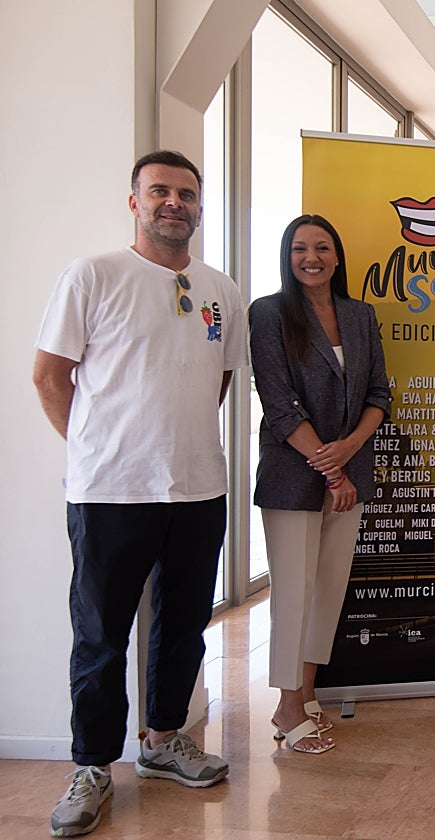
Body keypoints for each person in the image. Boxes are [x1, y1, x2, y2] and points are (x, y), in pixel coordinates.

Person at [33, 150, 247, 836]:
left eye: (186, 193)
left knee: (183, 625)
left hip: (198, 487)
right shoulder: (93, 275)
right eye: (159, 191)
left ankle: (162, 742)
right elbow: (49, 376)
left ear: (199, 206)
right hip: (109, 493)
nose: (173, 203)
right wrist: (95, 447)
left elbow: (216, 380)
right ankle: (93, 765)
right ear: (135, 202)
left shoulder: (220, 290)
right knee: (100, 635)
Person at [249, 214, 390, 754]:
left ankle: (306, 693)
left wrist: (348, 452)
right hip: (293, 476)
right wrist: (332, 470)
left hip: (350, 473)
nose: (312, 258)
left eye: (323, 247)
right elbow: (279, 404)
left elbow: (378, 394)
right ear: (287, 256)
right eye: (300, 248)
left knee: (327, 590)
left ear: (337, 256)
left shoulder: (359, 315)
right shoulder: (268, 313)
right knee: (293, 592)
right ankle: (286, 706)